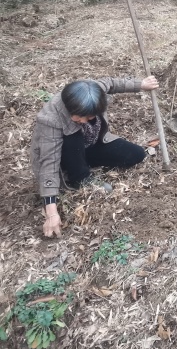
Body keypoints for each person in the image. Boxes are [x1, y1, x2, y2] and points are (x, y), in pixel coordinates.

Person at [30, 76, 160, 238]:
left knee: (136, 154)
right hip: (64, 155)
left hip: (88, 146)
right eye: (77, 116)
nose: (80, 120)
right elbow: (48, 163)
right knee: (73, 134)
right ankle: (80, 177)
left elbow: (112, 82)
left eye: (88, 117)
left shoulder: (94, 90)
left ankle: (83, 161)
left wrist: (141, 84)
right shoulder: (50, 119)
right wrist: (51, 212)